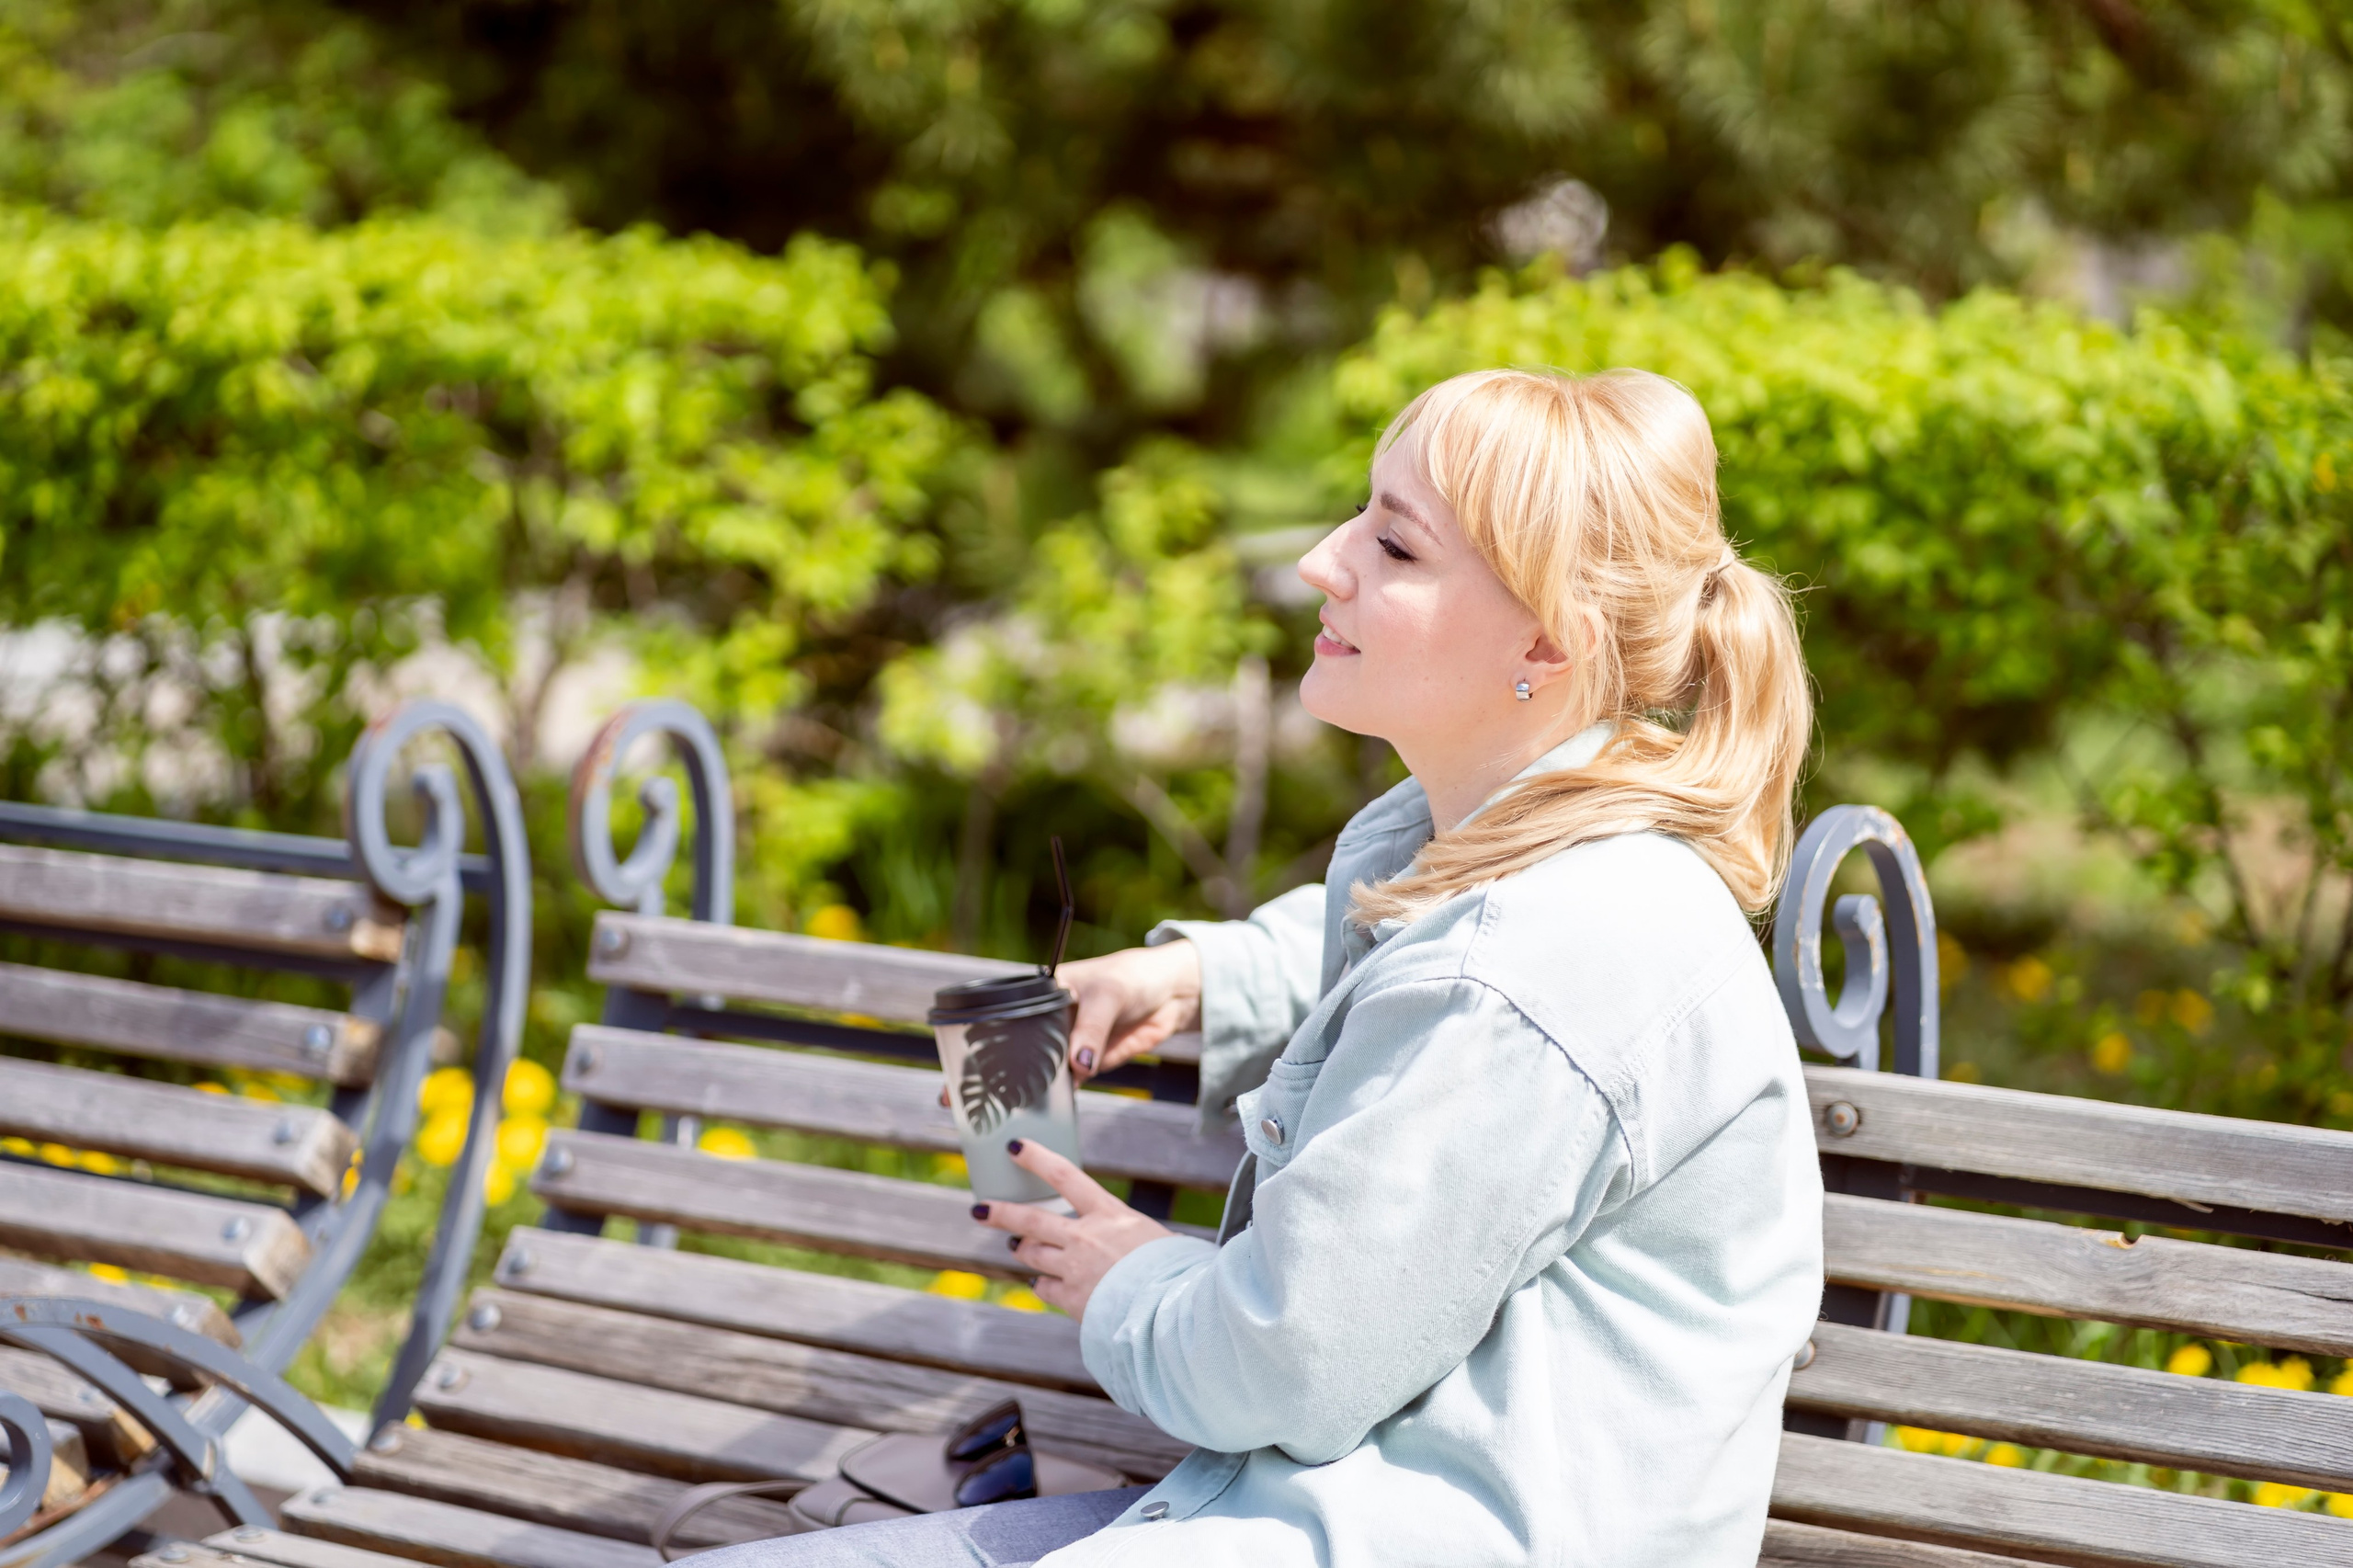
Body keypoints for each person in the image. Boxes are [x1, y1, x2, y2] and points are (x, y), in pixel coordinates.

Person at [693, 368, 1824, 1567]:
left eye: (1394, 544)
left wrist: (1128, 1277)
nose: (1322, 563)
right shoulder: (1529, 858)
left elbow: (1291, 1358)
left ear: (1546, 635)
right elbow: (1400, 942)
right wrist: (1191, 978)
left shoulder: (1532, 972)